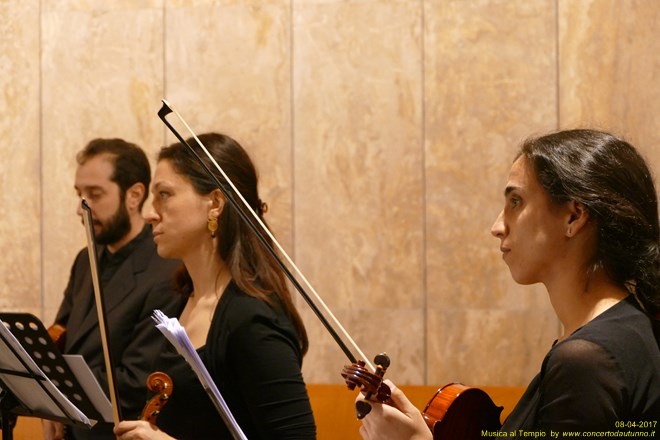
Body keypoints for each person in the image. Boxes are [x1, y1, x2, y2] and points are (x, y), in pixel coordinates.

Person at [356, 129, 660, 439]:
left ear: (574, 216)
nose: (497, 227)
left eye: (516, 201)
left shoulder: (585, 361)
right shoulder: (634, 326)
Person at [113, 133, 316, 439]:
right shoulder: (179, 302)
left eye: (164, 194)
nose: (150, 213)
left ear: (216, 203)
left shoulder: (252, 320)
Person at [44, 139, 184, 440]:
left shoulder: (164, 270)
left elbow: (134, 382)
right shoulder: (86, 260)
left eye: (94, 194)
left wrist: (64, 399)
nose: (82, 207)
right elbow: (62, 338)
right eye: (79, 194)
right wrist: (51, 401)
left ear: (134, 195)